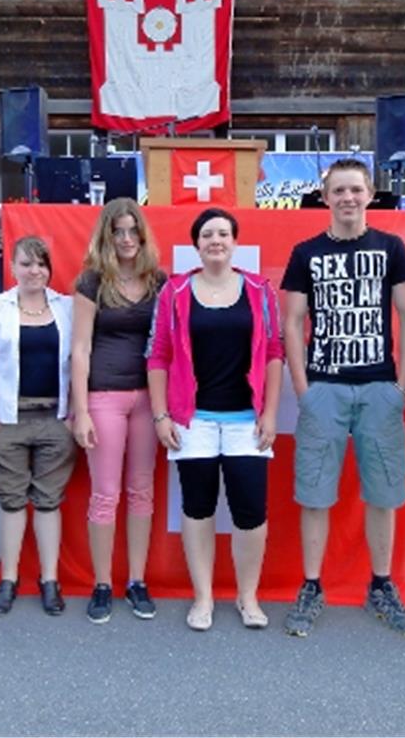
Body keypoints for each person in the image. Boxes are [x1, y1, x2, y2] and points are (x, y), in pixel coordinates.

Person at [279, 157, 405, 639]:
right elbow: (293, 323)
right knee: (314, 492)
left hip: (380, 387)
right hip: (325, 388)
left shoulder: (392, 247)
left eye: (355, 190)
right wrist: (303, 389)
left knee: (384, 492)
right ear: (325, 198)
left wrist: (400, 386)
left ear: (370, 194)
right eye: (338, 191)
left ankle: (381, 584)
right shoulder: (306, 253)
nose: (347, 199)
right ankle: (312, 585)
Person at [147, 208, 283, 631]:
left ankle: (248, 596)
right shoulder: (175, 292)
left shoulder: (260, 290)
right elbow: (158, 356)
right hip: (193, 421)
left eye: (223, 233)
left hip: (246, 419)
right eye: (207, 234)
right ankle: (203, 597)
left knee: (250, 512)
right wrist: (161, 416)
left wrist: (271, 412)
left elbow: (274, 352)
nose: (216, 240)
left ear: (235, 241)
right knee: (198, 508)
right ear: (197, 245)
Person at [70, 198, 166, 624]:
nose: (126, 239)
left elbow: (167, 347)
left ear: (142, 234)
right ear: (106, 236)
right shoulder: (91, 282)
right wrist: (80, 410)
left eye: (132, 231)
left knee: (142, 491)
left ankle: (137, 581)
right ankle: (103, 583)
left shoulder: (158, 281)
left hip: (147, 398)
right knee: (105, 494)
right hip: (103, 397)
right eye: (118, 231)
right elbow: (80, 348)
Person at [0, 236, 75, 618]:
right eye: (26, 264)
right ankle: (10, 580)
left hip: (55, 418)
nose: (34, 271)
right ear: (13, 267)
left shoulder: (66, 308)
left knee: (49, 502)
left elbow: (80, 359)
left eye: (41, 264)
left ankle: (49, 581)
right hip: (9, 419)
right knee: (12, 501)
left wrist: (72, 418)